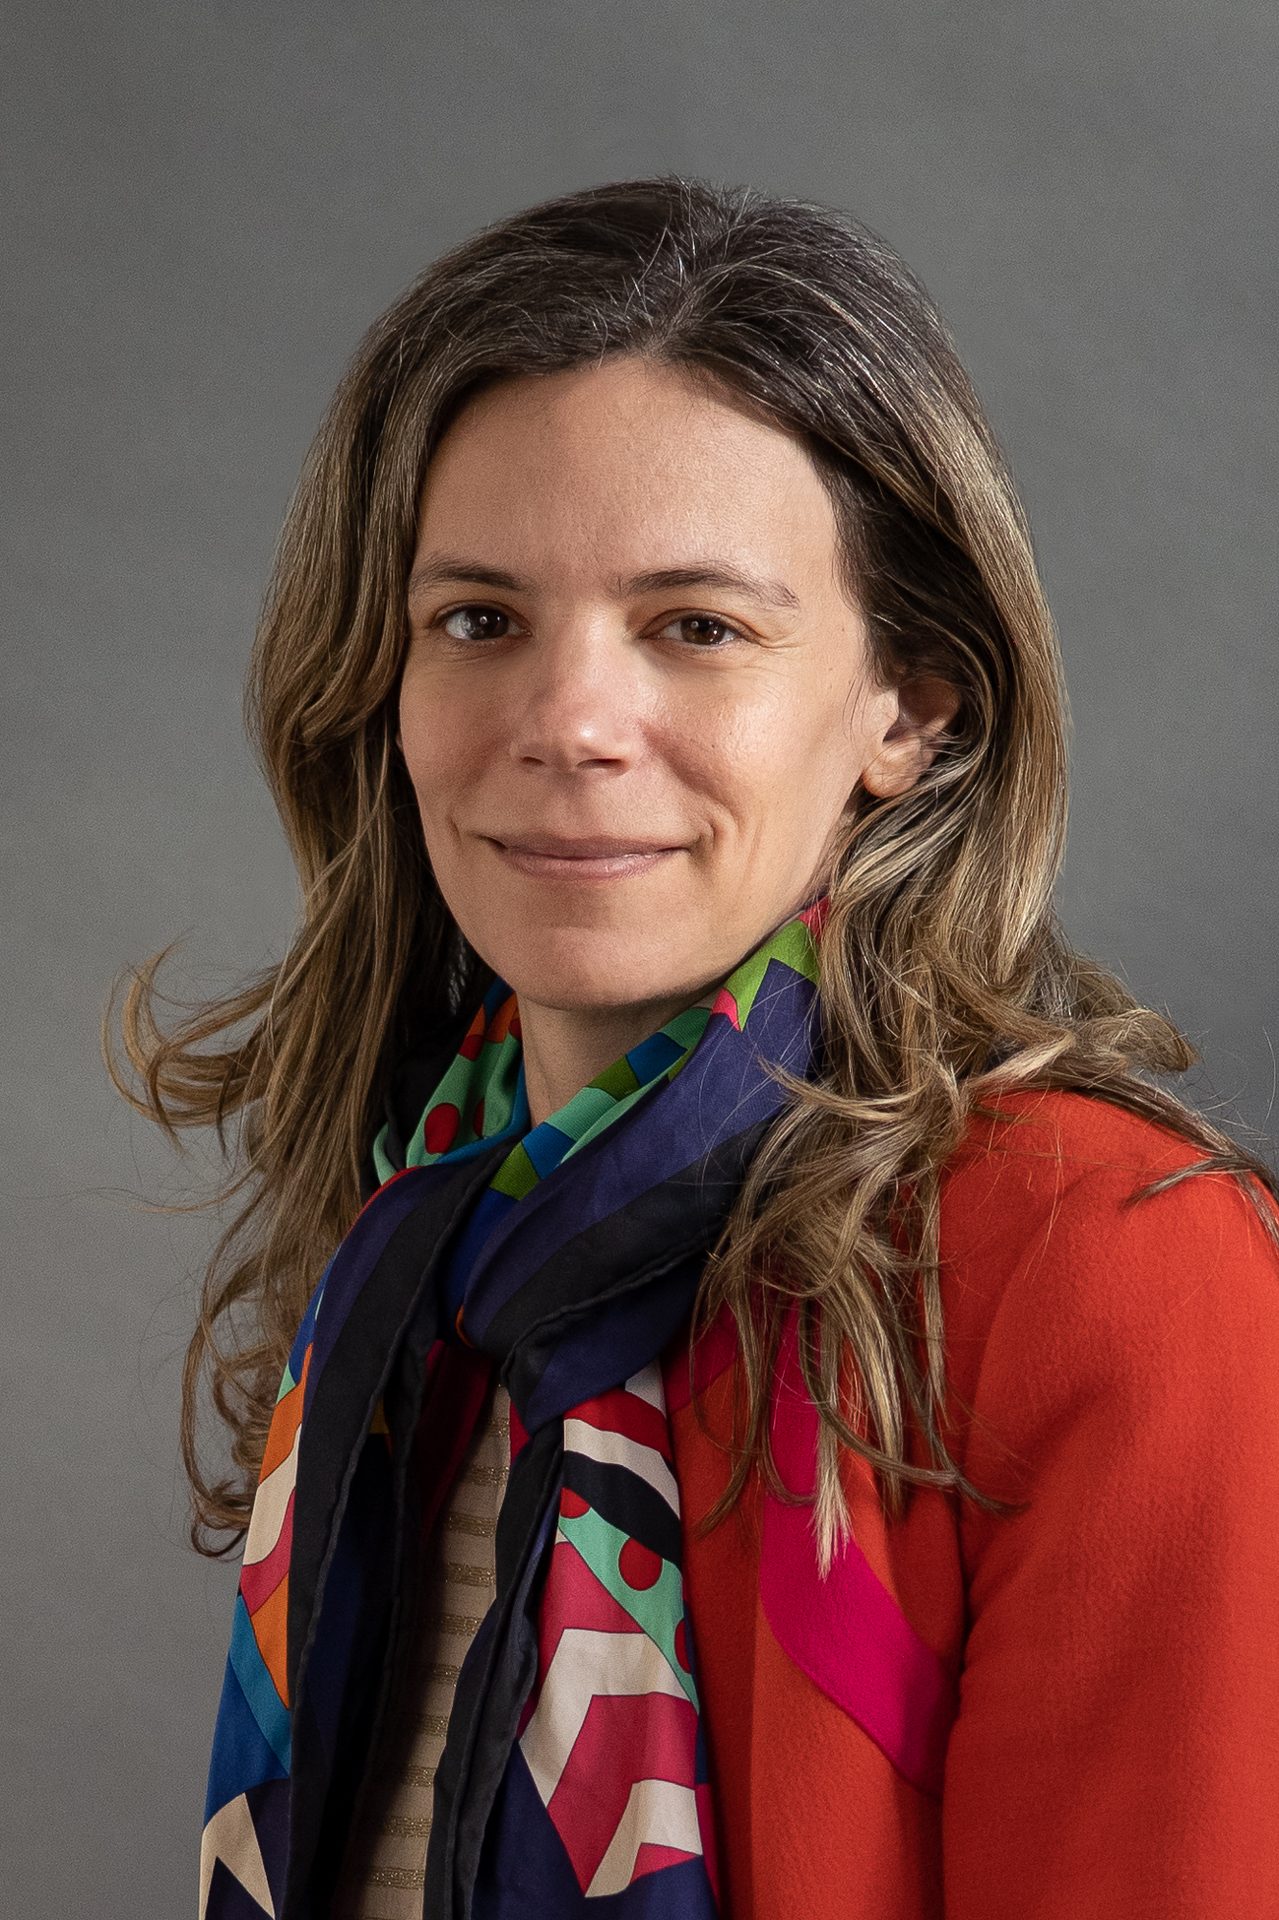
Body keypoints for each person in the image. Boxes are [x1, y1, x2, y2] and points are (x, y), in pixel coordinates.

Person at [107, 175, 1279, 1920]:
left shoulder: (1104, 1266)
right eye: (479, 619)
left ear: (909, 706)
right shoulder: (416, 1253)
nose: (569, 721)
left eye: (698, 628)